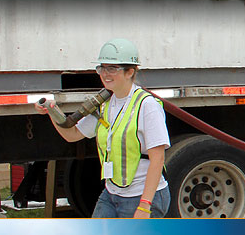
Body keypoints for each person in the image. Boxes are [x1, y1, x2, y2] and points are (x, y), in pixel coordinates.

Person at [34, 38, 171, 218]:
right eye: (102, 68)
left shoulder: (147, 105)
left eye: (112, 68)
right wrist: (52, 112)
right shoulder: (105, 104)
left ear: (130, 72)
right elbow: (72, 135)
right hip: (112, 193)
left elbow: (158, 158)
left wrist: (145, 206)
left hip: (142, 196)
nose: (105, 74)